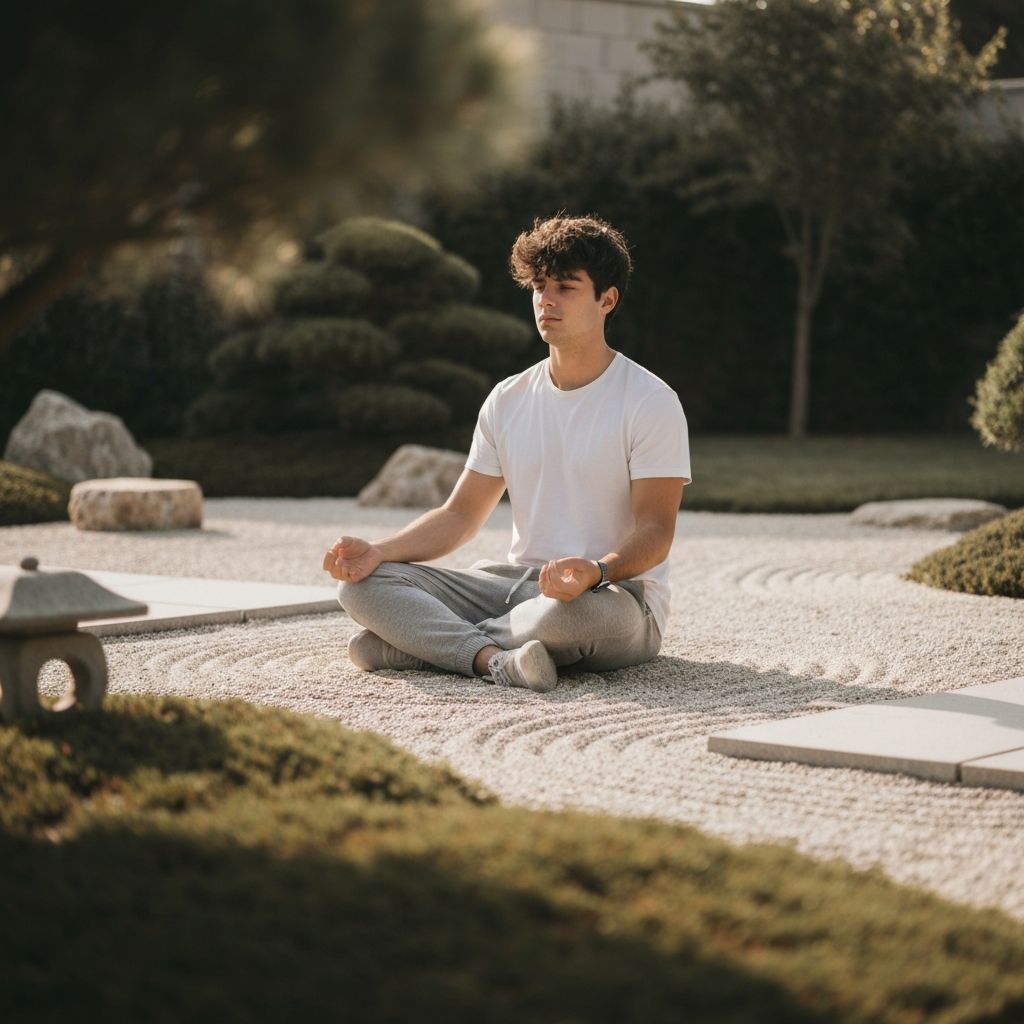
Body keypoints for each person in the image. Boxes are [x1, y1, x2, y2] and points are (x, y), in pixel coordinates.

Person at [323, 214, 690, 693]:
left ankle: (414, 646)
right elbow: (459, 516)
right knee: (361, 586)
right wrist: (379, 552)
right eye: (539, 286)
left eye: (565, 286)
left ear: (608, 298)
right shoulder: (508, 398)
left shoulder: (649, 400)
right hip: (512, 586)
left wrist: (596, 570)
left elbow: (656, 531)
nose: (547, 300)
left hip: (613, 597)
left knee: (570, 619)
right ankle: (491, 658)